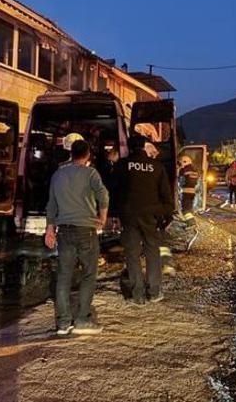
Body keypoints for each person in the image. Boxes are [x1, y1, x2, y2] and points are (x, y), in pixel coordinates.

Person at [45, 139, 109, 336]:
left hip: (63, 231)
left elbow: (52, 205)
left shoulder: (58, 175)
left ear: (71, 154)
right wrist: (102, 218)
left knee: (63, 277)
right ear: (88, 154)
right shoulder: (90, 173)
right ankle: (82, 319)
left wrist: (49, 230)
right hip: (86, 230)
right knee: (89, 274)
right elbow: (103, 195)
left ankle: (63, 324)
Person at [115, 135, 174, 305]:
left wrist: (118, 210)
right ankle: (154, 291)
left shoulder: (122, 165)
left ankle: (137, 294)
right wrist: (166, 215)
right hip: (151, 216)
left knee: (132, 254)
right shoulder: (156, 166)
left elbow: (113, 189)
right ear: (144, 147)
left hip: (129, 215)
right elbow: (166, 194)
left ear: (130, 147)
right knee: (152, 253)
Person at [177, 155, 198, 229]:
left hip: (186, 192)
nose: (180, 164)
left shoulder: (184, 170)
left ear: (184, 162)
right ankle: (188, 223)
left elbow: (181, 182)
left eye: (181, 162)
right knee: (189, 208)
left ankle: (192, 223)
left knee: (185, 210)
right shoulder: (194, 170)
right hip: (192, 192)